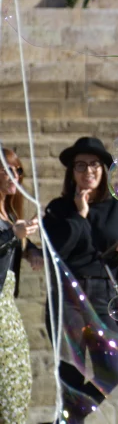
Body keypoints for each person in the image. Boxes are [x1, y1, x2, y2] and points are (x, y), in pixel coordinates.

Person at [42, 137, 118, 423]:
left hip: (104, 296)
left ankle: (70, 420)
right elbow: (56, 252)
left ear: (104, 170)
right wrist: (79, 216)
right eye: (80, 165)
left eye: (94, 164)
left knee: (111, 372)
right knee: (72, 376)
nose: (87, 171)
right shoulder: (57, 209)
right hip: (67, 298)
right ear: (71, 172)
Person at [0, 148, 43, 424]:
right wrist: (13, 236)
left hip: (7, 311)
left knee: (16, 388)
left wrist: (30, 250)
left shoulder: (11, 211)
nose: (13, 175)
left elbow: (12, 240)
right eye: (5, 169)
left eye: (17, 170)